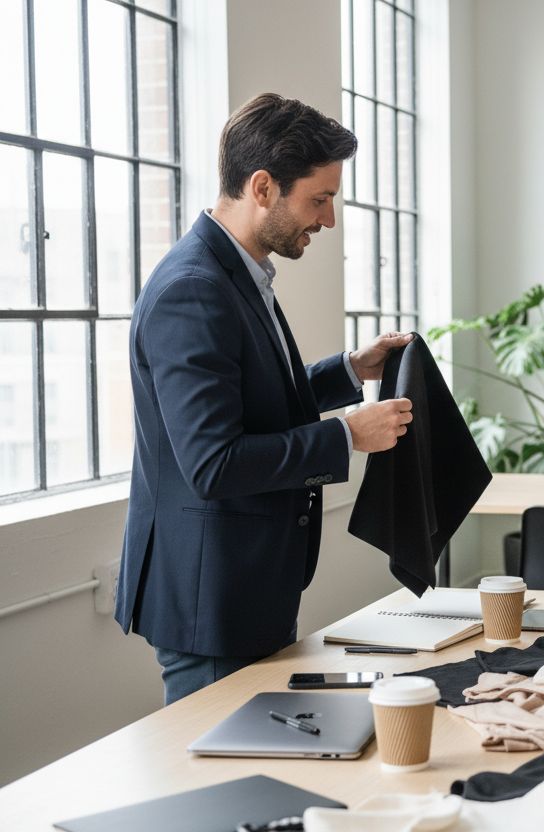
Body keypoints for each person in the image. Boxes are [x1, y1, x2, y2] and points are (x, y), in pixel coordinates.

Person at [116, 93, 415, 704]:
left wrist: (350, 370)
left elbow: (249, 400)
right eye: (320, 199)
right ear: (262, 186)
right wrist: (348, 435)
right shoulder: (193, 289)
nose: (328, 220)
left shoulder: (236, 272)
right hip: (212, 601)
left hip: (243, 588)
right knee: (222, 792)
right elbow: (213, 462)